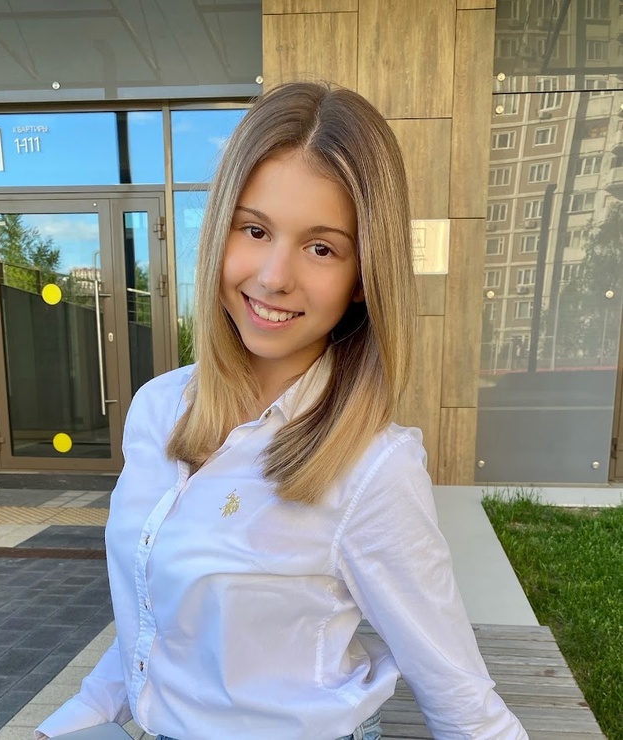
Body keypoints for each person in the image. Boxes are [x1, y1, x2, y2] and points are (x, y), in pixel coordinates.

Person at [35, 82, 528, 740]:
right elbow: (156, 622)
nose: (273, 276)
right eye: (256, 229)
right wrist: (72, 721)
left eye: (321, 247)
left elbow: (462, 702)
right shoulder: (156, 410)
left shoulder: (373, 468)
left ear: (363, 278)